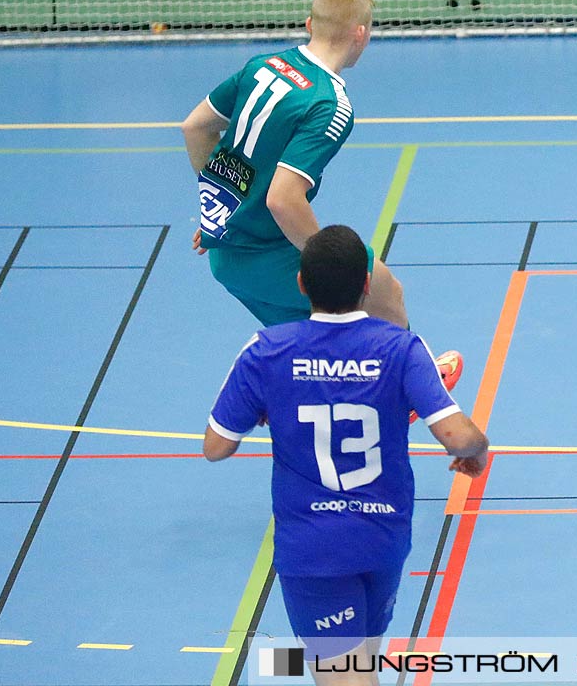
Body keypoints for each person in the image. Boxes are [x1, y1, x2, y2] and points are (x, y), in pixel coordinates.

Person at [205, 225, 490, 686]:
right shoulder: (402, 348)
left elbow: (216, 447)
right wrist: (476, 451)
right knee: (361, 669)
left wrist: (264, 405)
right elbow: (462, 438)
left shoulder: (266, 353)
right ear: (365, 285)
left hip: (312, 551)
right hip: (383, 540)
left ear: (300, 283)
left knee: (344, 677)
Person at [182, 0, 409, 329]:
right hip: (268, 256)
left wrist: (219, 213)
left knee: (314, 346)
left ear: (309, 24)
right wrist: (327, 267)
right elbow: (282, 199)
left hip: (226, 257)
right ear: (361, 34)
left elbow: (195, 128)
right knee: (384, 291)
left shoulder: (262, 65)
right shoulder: (329, 103)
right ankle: (413, 377)